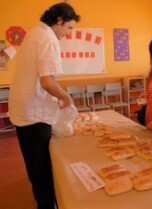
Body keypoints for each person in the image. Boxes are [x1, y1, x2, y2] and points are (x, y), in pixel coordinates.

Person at [8, 3, 80, 209]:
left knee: (34, 164)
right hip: (34, 114)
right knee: (42, 167)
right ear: (59, 21)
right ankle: (47, 204)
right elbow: (47, 82)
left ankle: (42, 200)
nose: (68, 33)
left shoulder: (35, 32)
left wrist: (59, 90)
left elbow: (45, 77)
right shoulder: (48, 38)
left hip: (23, 110)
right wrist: (66, 97)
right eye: (69, 28)